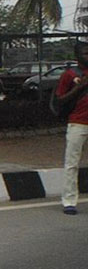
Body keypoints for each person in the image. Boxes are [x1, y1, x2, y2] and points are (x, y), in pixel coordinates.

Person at [53, 42, 88, 216]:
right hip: (77, 123)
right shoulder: (70, 75)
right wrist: (79, 88)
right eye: (85, 53)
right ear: (77, 56)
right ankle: (69, 201)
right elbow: (60, 100)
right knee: (72, 163)